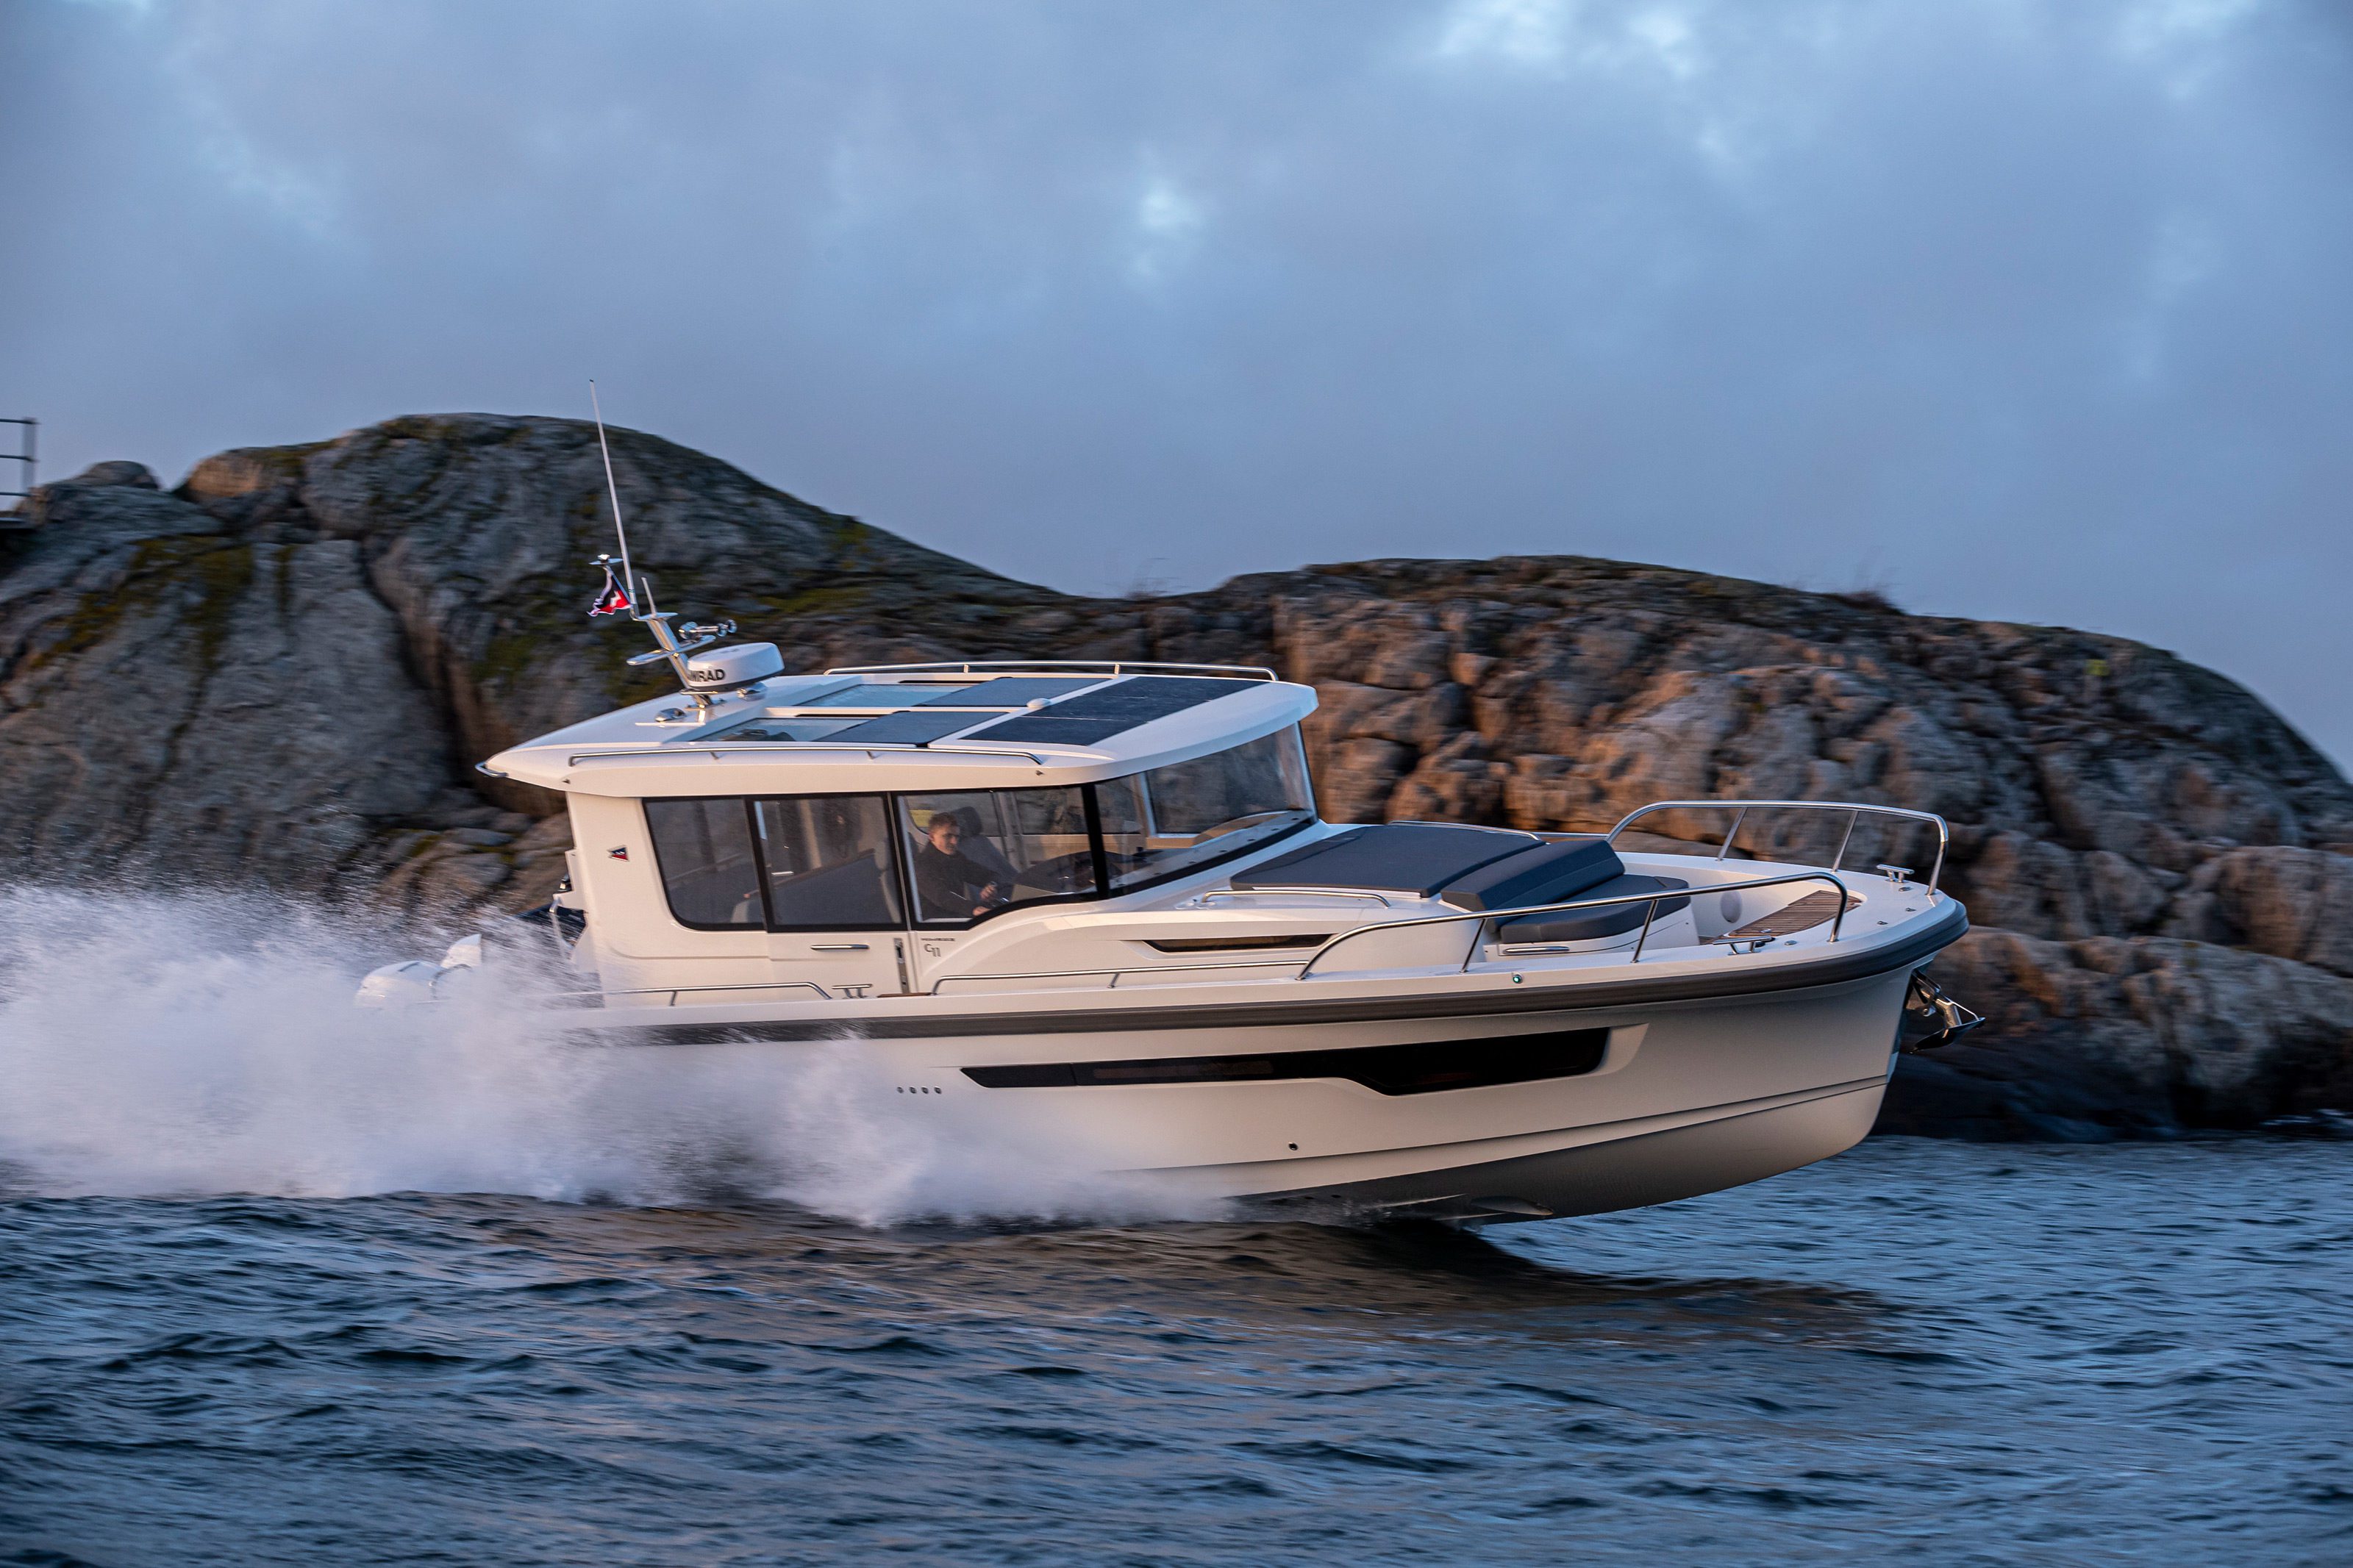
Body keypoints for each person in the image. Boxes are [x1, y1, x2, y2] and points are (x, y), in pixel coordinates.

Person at [912, 814, 1001, 919]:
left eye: (957, 836)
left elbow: (989, 875)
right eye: (948, 836)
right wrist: (974, 909)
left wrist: (991, 886)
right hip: (936, 924)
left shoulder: (956, 858)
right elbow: (942, 896)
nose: (954, 842)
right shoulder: (921, 865)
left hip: (956, 917)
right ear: (932, 837)